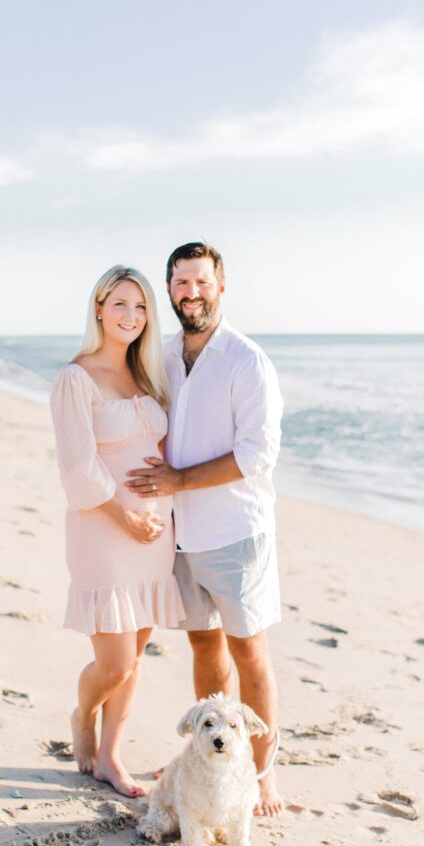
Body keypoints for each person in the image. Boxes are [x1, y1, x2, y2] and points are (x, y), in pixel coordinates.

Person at [126, 242, 284, 815]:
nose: (191, 293)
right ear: (169, 290)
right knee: (202, 641)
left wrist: (176, 480)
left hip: (236, 531)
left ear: (220, 287)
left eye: (201, 282)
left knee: (249, 651)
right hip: (180, 532)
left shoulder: (246, 360)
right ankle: (209, 760)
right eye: (181, 283)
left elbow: (256, 455)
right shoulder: (164, 355)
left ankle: (263, 774)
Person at [50, 266, 185, 799]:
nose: (131, 316)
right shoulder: (75, 377)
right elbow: (77, 467)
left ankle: (110, 758)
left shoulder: (149, 379)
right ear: (100, 308)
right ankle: (83, 714)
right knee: (116, 661)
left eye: (142, 307)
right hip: (104, 533)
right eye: (121, 304)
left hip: (155, 536)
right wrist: (126, 515)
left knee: (137, 657)